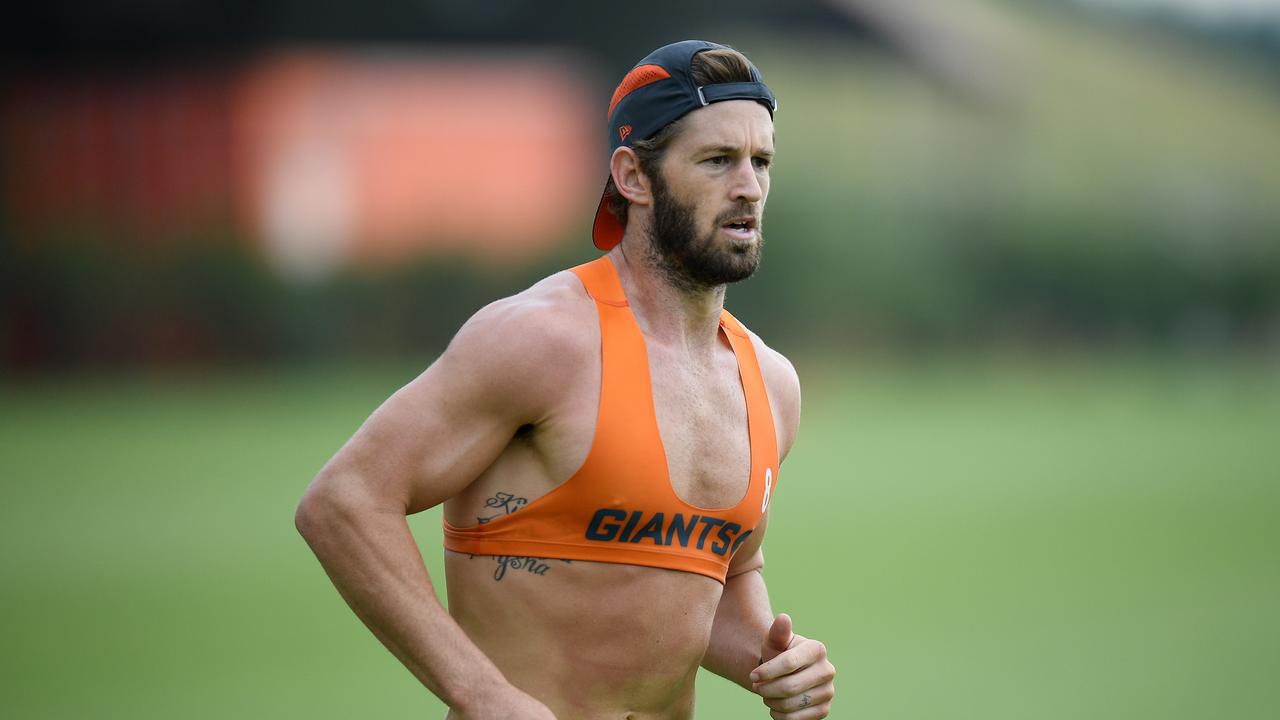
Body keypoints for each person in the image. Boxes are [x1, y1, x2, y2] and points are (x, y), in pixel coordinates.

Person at [295, 40, 836, 720]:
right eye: (717, 160)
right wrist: (481, 694)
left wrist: (775, 663)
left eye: (761, 162)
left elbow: (711, 578)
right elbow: (343, 502)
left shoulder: (772, 383)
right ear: (633, 177)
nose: (749, 187)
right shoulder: (541, 339)